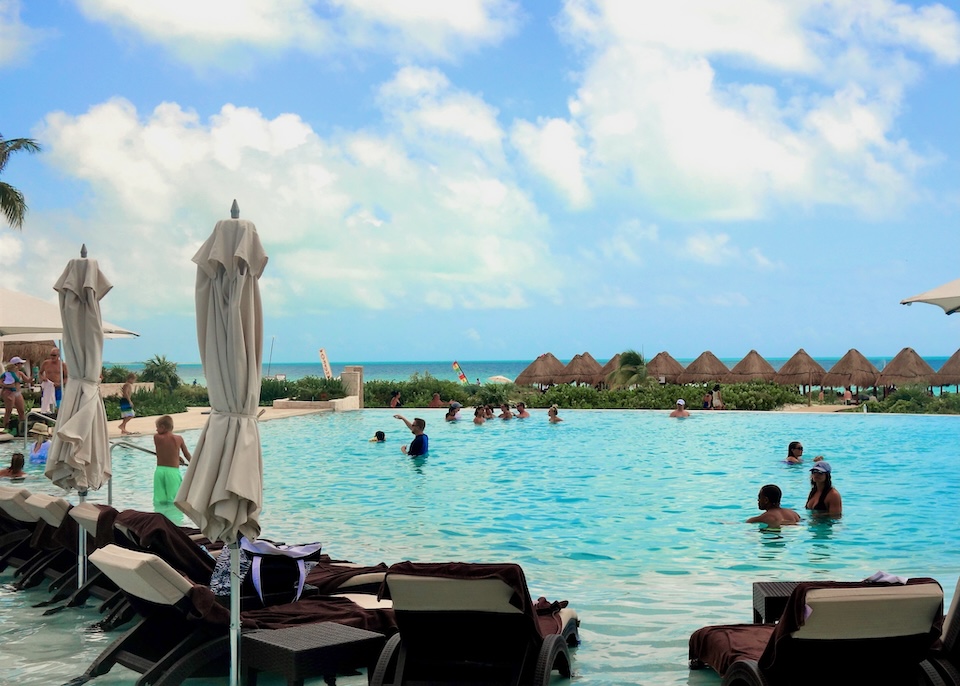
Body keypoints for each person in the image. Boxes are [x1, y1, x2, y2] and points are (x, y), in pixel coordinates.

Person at [152, 415, 191, 505]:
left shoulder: (157, 437)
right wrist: (194, 464)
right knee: (174, 499)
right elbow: (187, 454)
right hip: (173, 471)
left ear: (162, 427)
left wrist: (177, 457)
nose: (156, 430)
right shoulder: (178, 438)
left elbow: (164, 450)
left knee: (159, 499)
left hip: (159, 471)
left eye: (157, 427)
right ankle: (175, 518)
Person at [2, 358, 29, 434]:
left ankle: (22, 427)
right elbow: (1, 383)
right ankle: (6, 427)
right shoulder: (6, 374)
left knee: (21, 410)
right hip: (9, 392)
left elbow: (27, 380)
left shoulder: (20, 373)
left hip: (17, 393)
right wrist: (8, 385)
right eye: (20, 363)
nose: (22, 365)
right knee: (8, 410)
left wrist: (34, 375)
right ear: (16, 365)